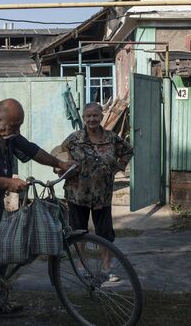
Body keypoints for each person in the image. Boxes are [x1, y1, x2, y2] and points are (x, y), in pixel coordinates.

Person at [0, 98, 74, 324]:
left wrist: (59, 164)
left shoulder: (8, 135)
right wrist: (7, 183)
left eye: (19, 126)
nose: (17, 131)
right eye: (13, 126)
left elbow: (32, 150)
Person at [60, 102, 133, 282]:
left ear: (101, 117)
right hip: (77, 194)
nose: (92, 119)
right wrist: (62, 167)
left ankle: (107, 267)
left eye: (95, 116)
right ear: (84, 118)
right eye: (88, 116)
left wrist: (116, 168)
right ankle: (81, 265)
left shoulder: (111, 138)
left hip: (102, 194)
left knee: (105, 232)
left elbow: (128, 151)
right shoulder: (74, 139)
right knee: (78, 231)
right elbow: (59, 155)